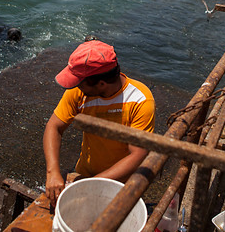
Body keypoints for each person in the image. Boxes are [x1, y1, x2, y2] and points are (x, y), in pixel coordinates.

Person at [43, 39, 155, 206]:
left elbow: (137, 154)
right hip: (85, 173)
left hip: (120, 182)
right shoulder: (78, 92)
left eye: (79, 83)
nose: (76, 87)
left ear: (101, 84)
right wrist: (52, 172)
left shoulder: (140, 100)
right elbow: (54, 127)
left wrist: (92, 184)